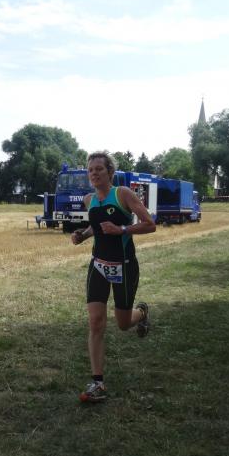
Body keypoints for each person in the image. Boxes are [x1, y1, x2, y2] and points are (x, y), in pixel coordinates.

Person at [71, 151, 155, 403]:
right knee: (96, 322)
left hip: (124, 265)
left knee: (123, 324)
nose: (94, 173)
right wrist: (82, 235)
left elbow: (149, 223)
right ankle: (98, 383)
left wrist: (122, 229)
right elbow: (95, 228)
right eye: (90, 170)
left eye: (99, 169)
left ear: (109, 172)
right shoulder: (89, 200)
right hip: (98, 265)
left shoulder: (123, 194)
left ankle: (141, 313)